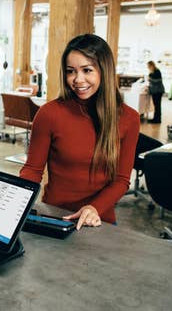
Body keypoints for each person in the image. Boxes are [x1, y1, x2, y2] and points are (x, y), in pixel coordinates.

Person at [20, 34, 140, 229]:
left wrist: (93, 208)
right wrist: (16, 200)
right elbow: (32, 171)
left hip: (99, 220)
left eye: (87, 70)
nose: (77, 79)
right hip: (54, 216)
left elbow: (121, 180)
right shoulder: (49, 113)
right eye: (70, 71)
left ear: (104, 70)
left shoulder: (129, 119)